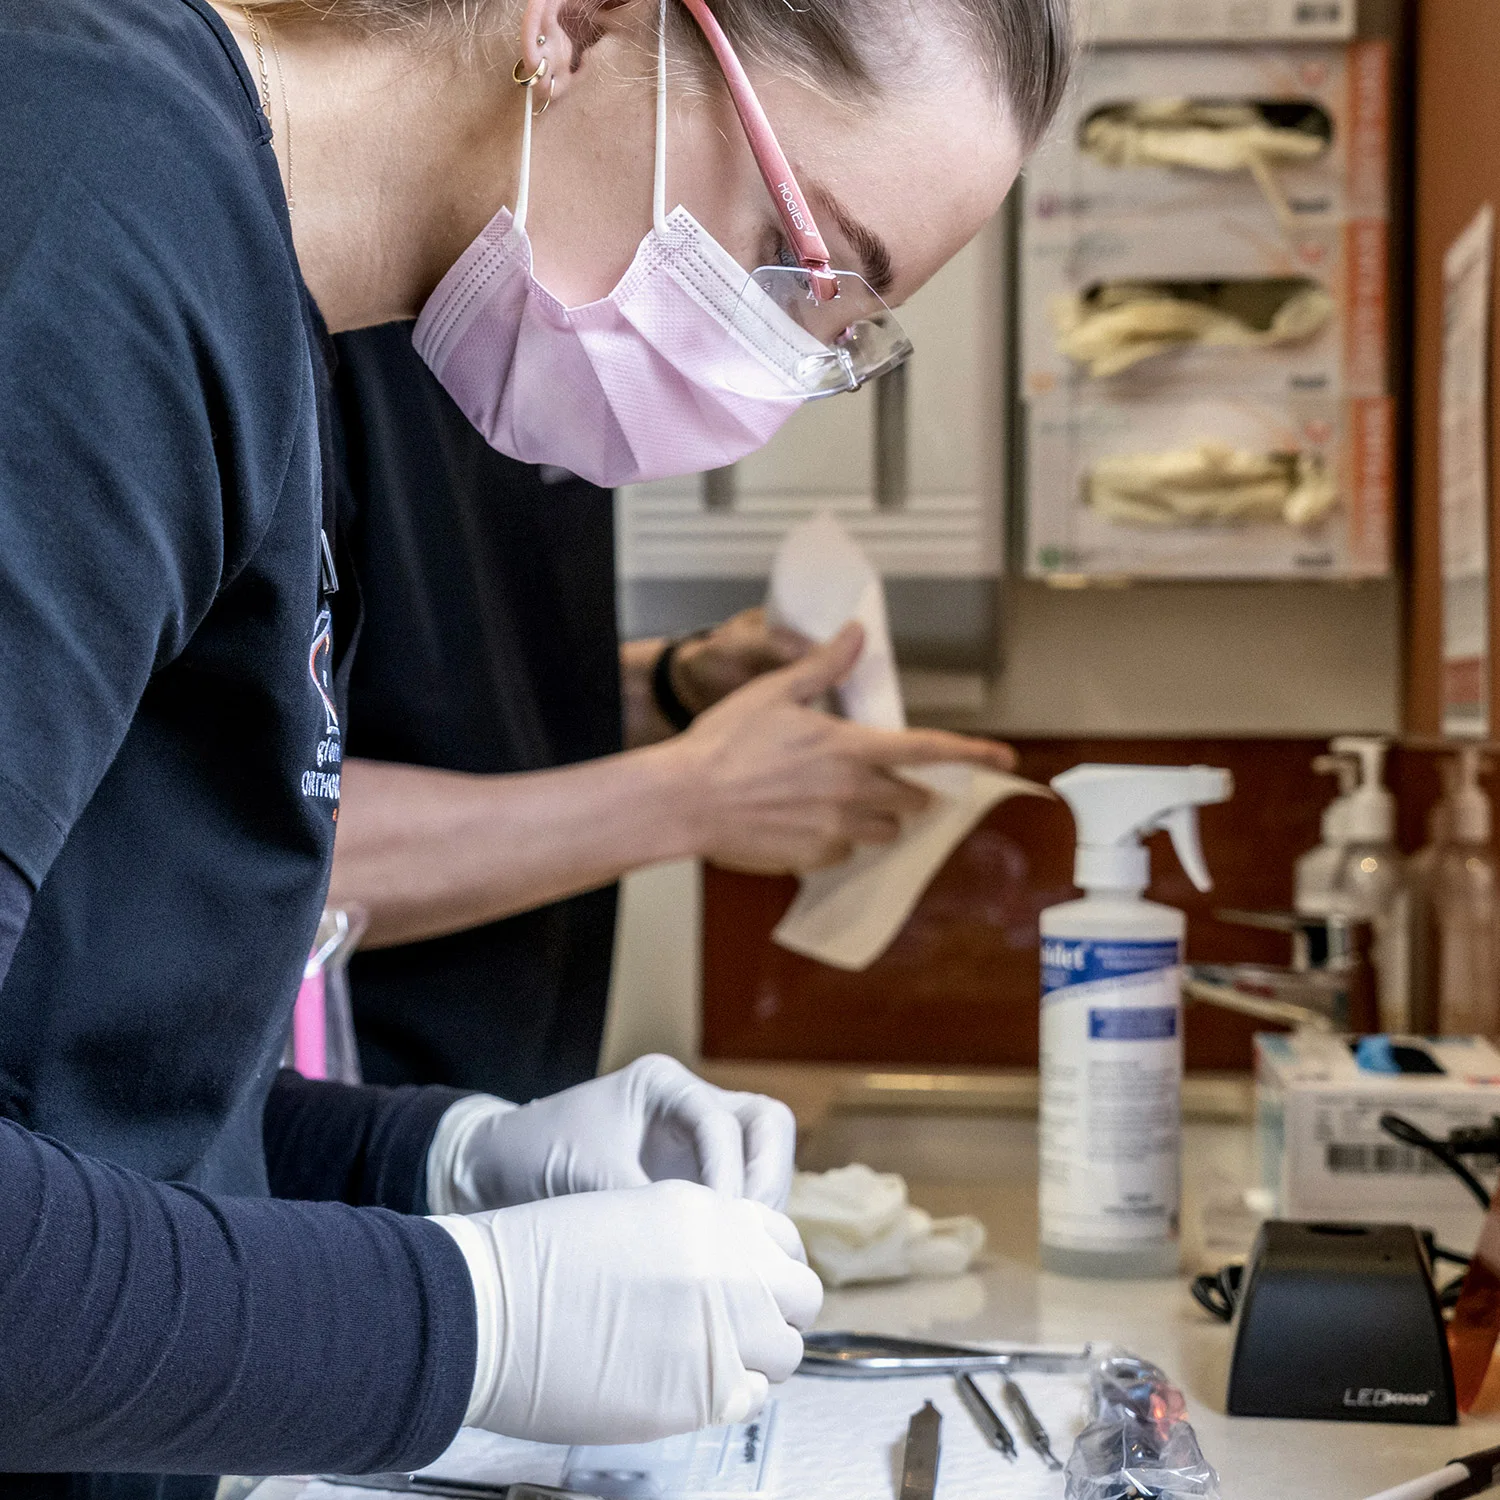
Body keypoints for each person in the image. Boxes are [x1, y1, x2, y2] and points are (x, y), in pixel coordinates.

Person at [0, 0, 1071, 1488]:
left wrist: (444, 1163)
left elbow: (99, 1091)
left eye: (832, 336)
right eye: (794, 259)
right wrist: (469, 1321)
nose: (767, 371)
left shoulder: (270, 317)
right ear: (577, 24)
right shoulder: (84, 222)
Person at [329, 322, 1020, 1101]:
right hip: (322, 1127)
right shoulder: (319, 343)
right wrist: (691, 796)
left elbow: (441, 694)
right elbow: (246, 839)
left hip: (507, 1092)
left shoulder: (542, 345)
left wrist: (669, 688)